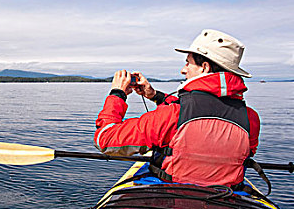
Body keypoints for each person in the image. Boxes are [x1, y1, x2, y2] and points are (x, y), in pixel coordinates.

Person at [94, 29, 260, 188]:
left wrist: (117, 94)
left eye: (188, 63)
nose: (183, 70)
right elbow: (200, 112)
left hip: (172, 200)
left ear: (205, 67)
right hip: (226, 202)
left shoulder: (170, 116)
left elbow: (106, 140)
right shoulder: (251, 119)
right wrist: (154, 95)